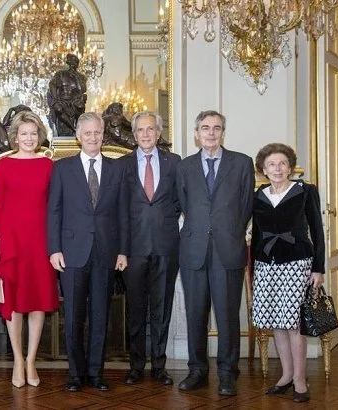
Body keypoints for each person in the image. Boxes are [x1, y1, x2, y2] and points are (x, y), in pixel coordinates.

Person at [47, 112, 128, 392]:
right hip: (71, 253)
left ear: (102, 134)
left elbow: (123, 214)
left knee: (100, 316)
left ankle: (96, 373)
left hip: (106, 252)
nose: (93, 137)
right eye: (88, 133)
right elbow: (53, 211)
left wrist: (123, 251)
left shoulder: (118, 169)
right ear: (79, 137)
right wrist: (54, 249)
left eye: (97, 132)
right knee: (73, 316)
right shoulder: (62, 168)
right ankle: (75, 374)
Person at [175, 110, 255, 396]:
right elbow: (185, 204)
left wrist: (229, 230)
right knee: (196, 315)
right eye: (205, 128)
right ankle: (197, 370)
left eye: (216, 128)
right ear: (197, 133)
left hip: (228, 250)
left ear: (223, 132)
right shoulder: (184, 167)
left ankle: (227, 373)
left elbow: (246, 206)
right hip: (194, 251)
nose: (211, 133)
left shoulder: (242, 163)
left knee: (227, 316)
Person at [0, 111, 59, 388]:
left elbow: (56, 207)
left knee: (39, 301)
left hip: (41, 242)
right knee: (13, 303)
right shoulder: (4, 166)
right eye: (23, 133)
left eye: (33, 133)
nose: (28, 138)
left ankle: (31, 360)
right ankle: (17, 359)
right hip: (11, 241)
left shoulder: (49, 166)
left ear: (39, 137)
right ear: (15, 137)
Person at [251, 143, 324, 403]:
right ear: (263, 169)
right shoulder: (259, 195)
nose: (278, 168)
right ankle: (285, 376)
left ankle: (300, 381)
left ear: (290, 167)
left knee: (293, 325)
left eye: (282, 163)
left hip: (298, 262)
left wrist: (319, 268)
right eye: (272, 164)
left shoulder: (305, 191)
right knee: (277, 324)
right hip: (266, 265)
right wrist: (253, 270)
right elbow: (258, 235)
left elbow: (317, 231)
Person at [118, 111, 181, 386]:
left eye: (151, 129)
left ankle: (159, 367)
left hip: (167, 246)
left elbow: (181, 200)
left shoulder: (174, 163)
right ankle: (135, 367)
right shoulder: (122, 165)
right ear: (134, 135)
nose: (146, 135)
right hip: (133, 248)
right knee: (135, 311)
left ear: (158, 133)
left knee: (161, 309)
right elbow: (117, 208)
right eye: (140, 130)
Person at [47, 53, 87, 136]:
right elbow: (52, 85)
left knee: (80, 108)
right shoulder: (61, 74)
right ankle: (72, 129)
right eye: (72, 61)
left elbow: (83, 89)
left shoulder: (81, 77)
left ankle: (76, 130)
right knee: (59, 110)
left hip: (75, 102)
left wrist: (77, 78)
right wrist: (56, 100)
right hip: (63, 100)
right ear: (68, 62)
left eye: (75, 61)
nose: (73, 63)